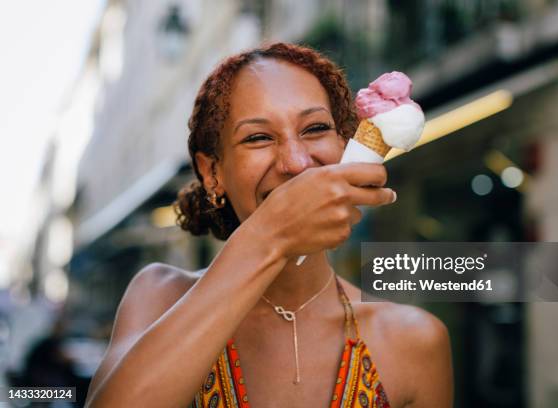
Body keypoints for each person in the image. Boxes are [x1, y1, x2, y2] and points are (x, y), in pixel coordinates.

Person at [84, 42, 453, 408]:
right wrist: (269, 238)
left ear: (344, 147)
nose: (295, 162)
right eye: (258, 137)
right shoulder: (160, 297)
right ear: (213, 173)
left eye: (315, 129)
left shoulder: (413, 339)